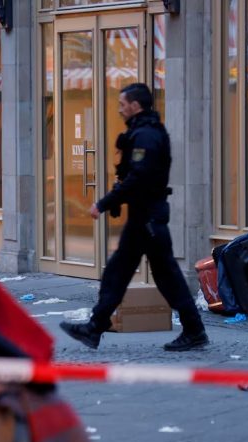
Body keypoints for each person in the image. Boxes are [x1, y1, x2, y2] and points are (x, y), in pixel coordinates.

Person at [59, 83, 208, 352]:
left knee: (165, 276)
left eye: (122, 104)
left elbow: (138, 178)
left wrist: (104, 203)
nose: (119, 108)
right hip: (144, 217)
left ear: (136, 106)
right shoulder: (142, 132)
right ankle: (96, 325)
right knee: (119, 271)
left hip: (148, 219)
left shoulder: (147, 136)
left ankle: (194, 330)